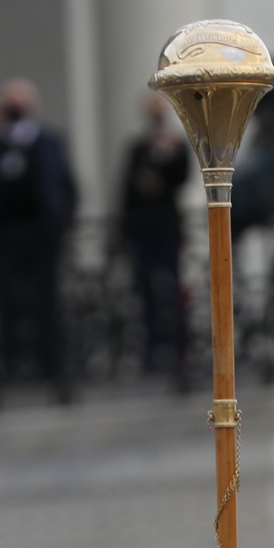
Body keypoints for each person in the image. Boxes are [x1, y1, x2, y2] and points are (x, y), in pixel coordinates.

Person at [0, 78, 78, 399]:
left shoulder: (48, 141)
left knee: (45, 302)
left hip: (41, 236)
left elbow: (66, 185)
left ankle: (50, 365)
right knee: (6, 304)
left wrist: (63, 223)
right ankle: (12, 364)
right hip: (4, 238)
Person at [120, 93, 191, 384]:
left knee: (172, 290)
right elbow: (128, 188)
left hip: (166, 229)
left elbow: (181, 179)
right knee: (145, 291)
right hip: (143, 231)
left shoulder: (175, 145)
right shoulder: (138, 147)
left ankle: (178, 348)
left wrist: (168, 154)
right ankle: (150, 349)